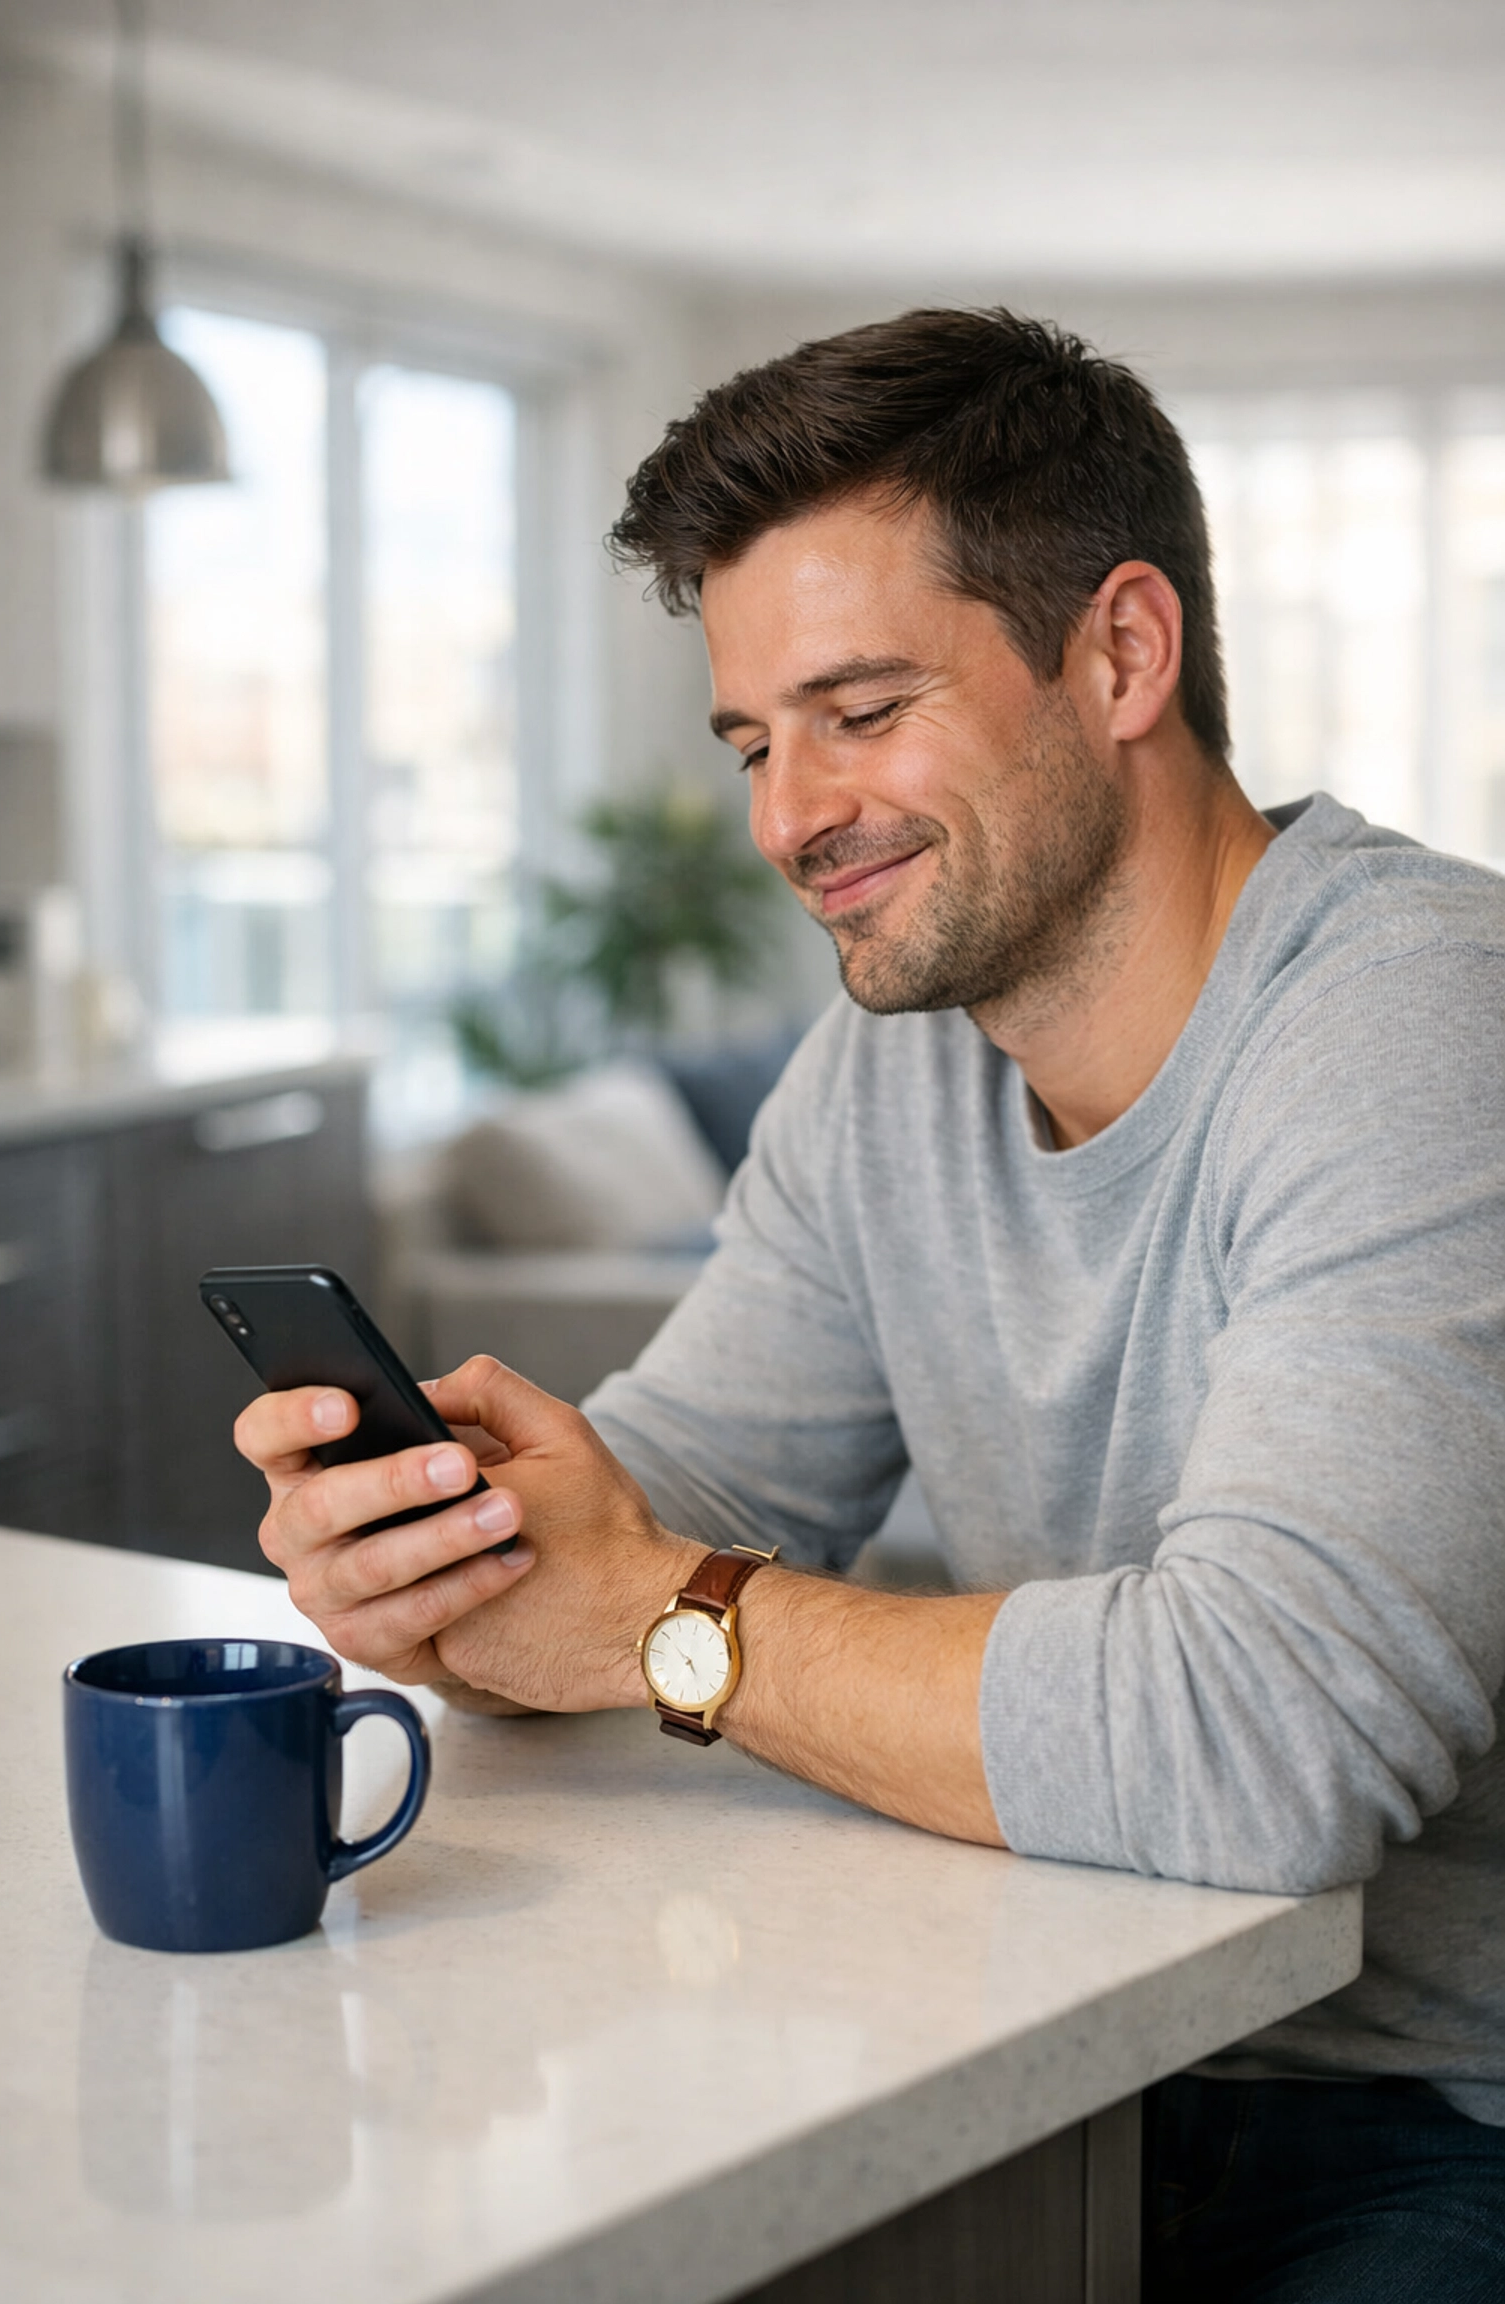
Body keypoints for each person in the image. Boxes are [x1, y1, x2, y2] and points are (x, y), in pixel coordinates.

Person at [236, 309, 1505, 2300]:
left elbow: (1265, 1750)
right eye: (756, 740)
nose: (786, 817)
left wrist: (661, 1621)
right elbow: (673, 1501)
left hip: (1433, 2105)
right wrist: (446, 1554)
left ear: (1119, 654)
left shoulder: (1422, 1020)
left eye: (859, 709)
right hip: (1054, 2014)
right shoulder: (896, 1058)